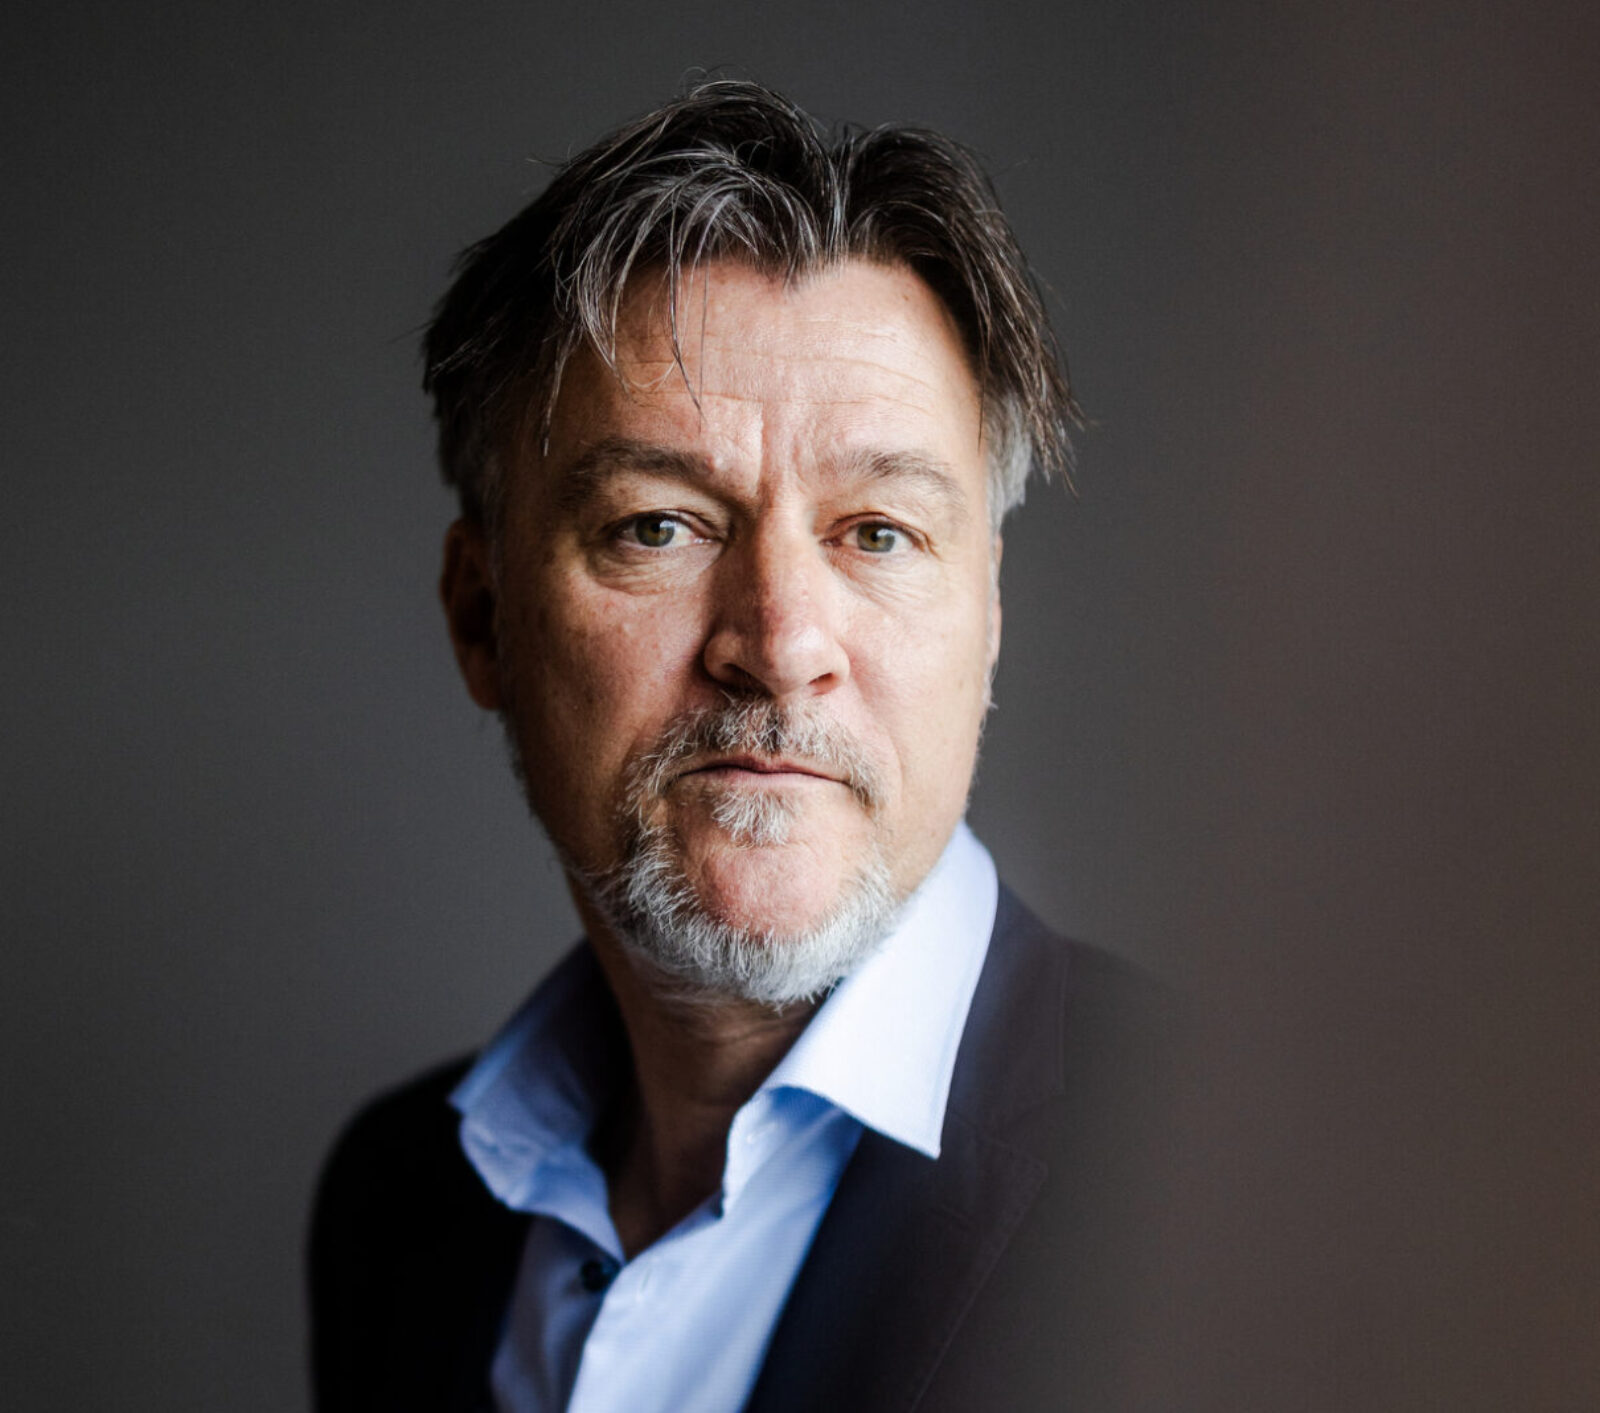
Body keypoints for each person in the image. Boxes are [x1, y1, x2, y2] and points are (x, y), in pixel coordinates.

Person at [309, 80, 1170, 1413]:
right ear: (484, 619)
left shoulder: (1234, 1188)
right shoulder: (398, 1211)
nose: (778, 642)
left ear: (989, 623)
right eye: (658, 526)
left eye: (878, 532)